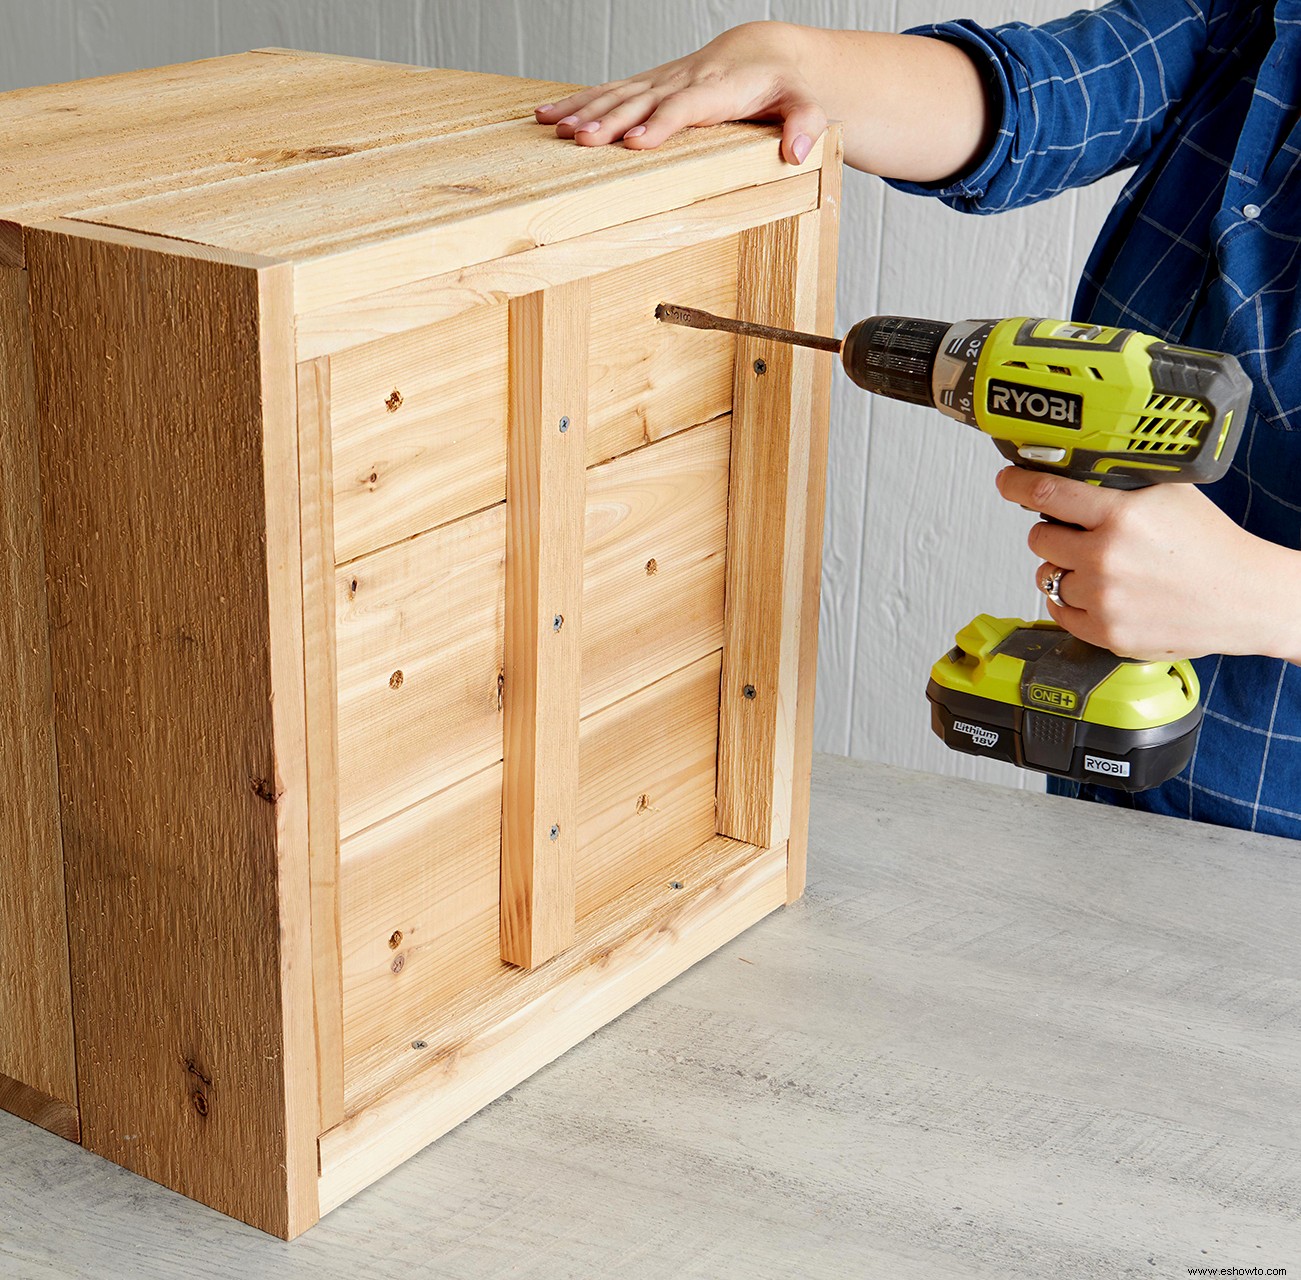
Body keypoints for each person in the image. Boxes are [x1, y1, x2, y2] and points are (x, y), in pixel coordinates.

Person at [535, 3, 1301, 838]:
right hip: (1111, 815)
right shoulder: (1262, 21)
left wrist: (1260, 599)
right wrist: (795, 61)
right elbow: (1035, 94)